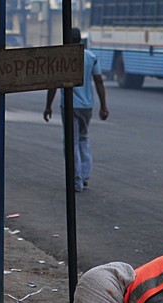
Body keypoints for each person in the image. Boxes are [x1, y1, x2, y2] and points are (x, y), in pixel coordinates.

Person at [44, 27, 109, 193]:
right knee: (83, 139)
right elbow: (99, 82)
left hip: (70, 106)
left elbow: (53, 84)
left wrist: (48, 105)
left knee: (71, 143)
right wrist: (103, 105)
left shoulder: (62, 58)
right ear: (81, 40)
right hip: (87, 106)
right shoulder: (91, 57)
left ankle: (76, 180)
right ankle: (85, 176)